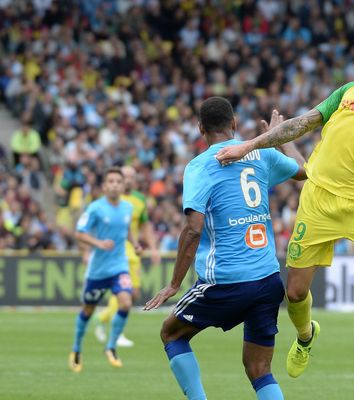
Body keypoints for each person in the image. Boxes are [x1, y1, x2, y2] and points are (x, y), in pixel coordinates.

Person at [216, 54, 354, 377]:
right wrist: (248, 146)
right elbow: (303, 123)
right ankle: (305, 337)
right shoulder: (352, 90)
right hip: (319, 201)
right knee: (294, 293)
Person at [144, 97, 306, 400]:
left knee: (171, 333)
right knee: (259, 369)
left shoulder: (200, 166)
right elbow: (304, 170)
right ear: (234, 124)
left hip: (226, 282)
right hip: (268, 279)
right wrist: (281, 136)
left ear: (200, 128)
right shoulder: (261, 152)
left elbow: (193, 229)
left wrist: (175, 283)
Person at [68, 167, 141, 372]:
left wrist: (135, 244)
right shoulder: (95, 208)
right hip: (98, 271)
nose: (115, 185)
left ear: (122, 185)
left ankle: (111, 346)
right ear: (104, 186)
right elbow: (79, 233)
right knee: (88, 309)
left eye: (118, 181)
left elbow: (127, 229)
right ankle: (76, 349)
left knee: (126, 303)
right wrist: (98, 243)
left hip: (119, 266)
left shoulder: (127, 208)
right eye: (111, 181)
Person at [94, 165, 161, 347]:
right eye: (126, 177)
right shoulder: (112, 199)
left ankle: (103, 317)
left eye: (132, 177)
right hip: (116, 250)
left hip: (133, 250)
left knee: (134, 293)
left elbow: (145, 226)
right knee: (123, 290)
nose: (129, 180)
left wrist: (153, 248)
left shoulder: (139, 200)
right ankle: (118, 333)